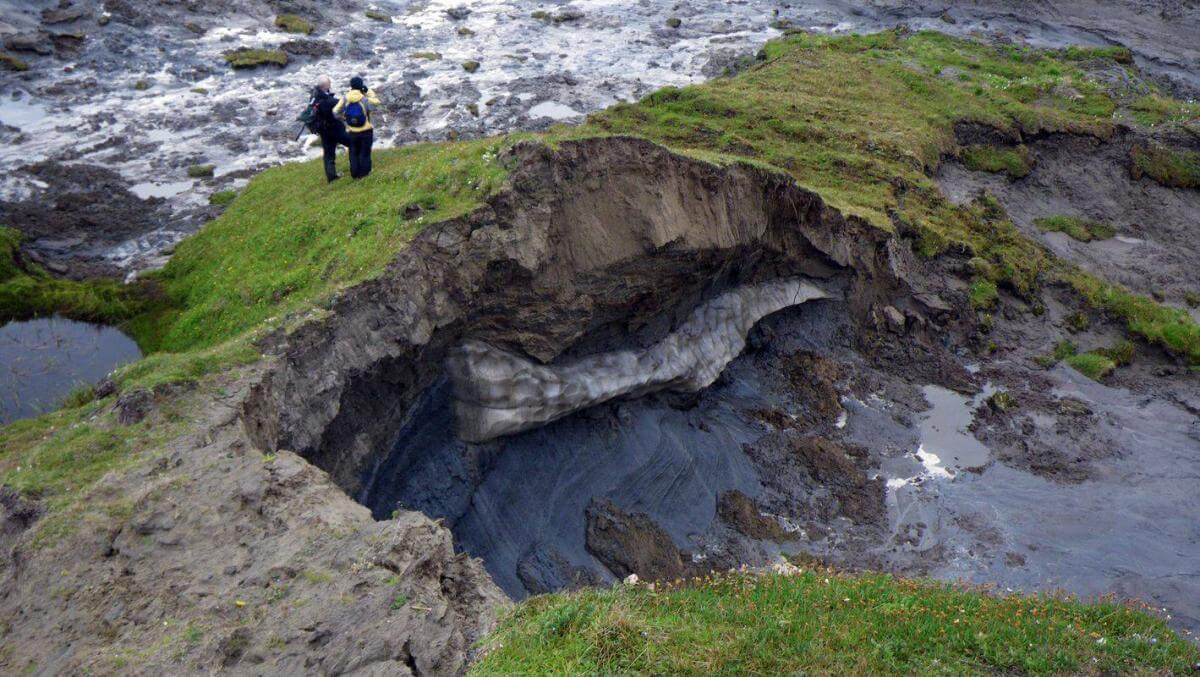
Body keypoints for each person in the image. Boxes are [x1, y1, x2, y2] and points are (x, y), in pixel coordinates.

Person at [333, 76, 381, 179]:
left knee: (353, 153)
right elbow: (377, 101)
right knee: (365, 152)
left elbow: (335, 111)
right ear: (361, 86)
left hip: (352, 132)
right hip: (366, 130)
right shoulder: (364, 99)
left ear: (351, 86)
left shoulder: (345, 98)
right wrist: (368, 90)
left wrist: (344, 119)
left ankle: (355, 174)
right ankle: (365, 173)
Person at [312, 75, 349, 182]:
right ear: (326, 86)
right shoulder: (329, 101)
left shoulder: (314, 97)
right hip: (335, 129)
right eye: (329, 83)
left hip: (323, 131)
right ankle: (360, 166)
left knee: (328, 154)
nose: (330, 85)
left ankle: (332, 177)